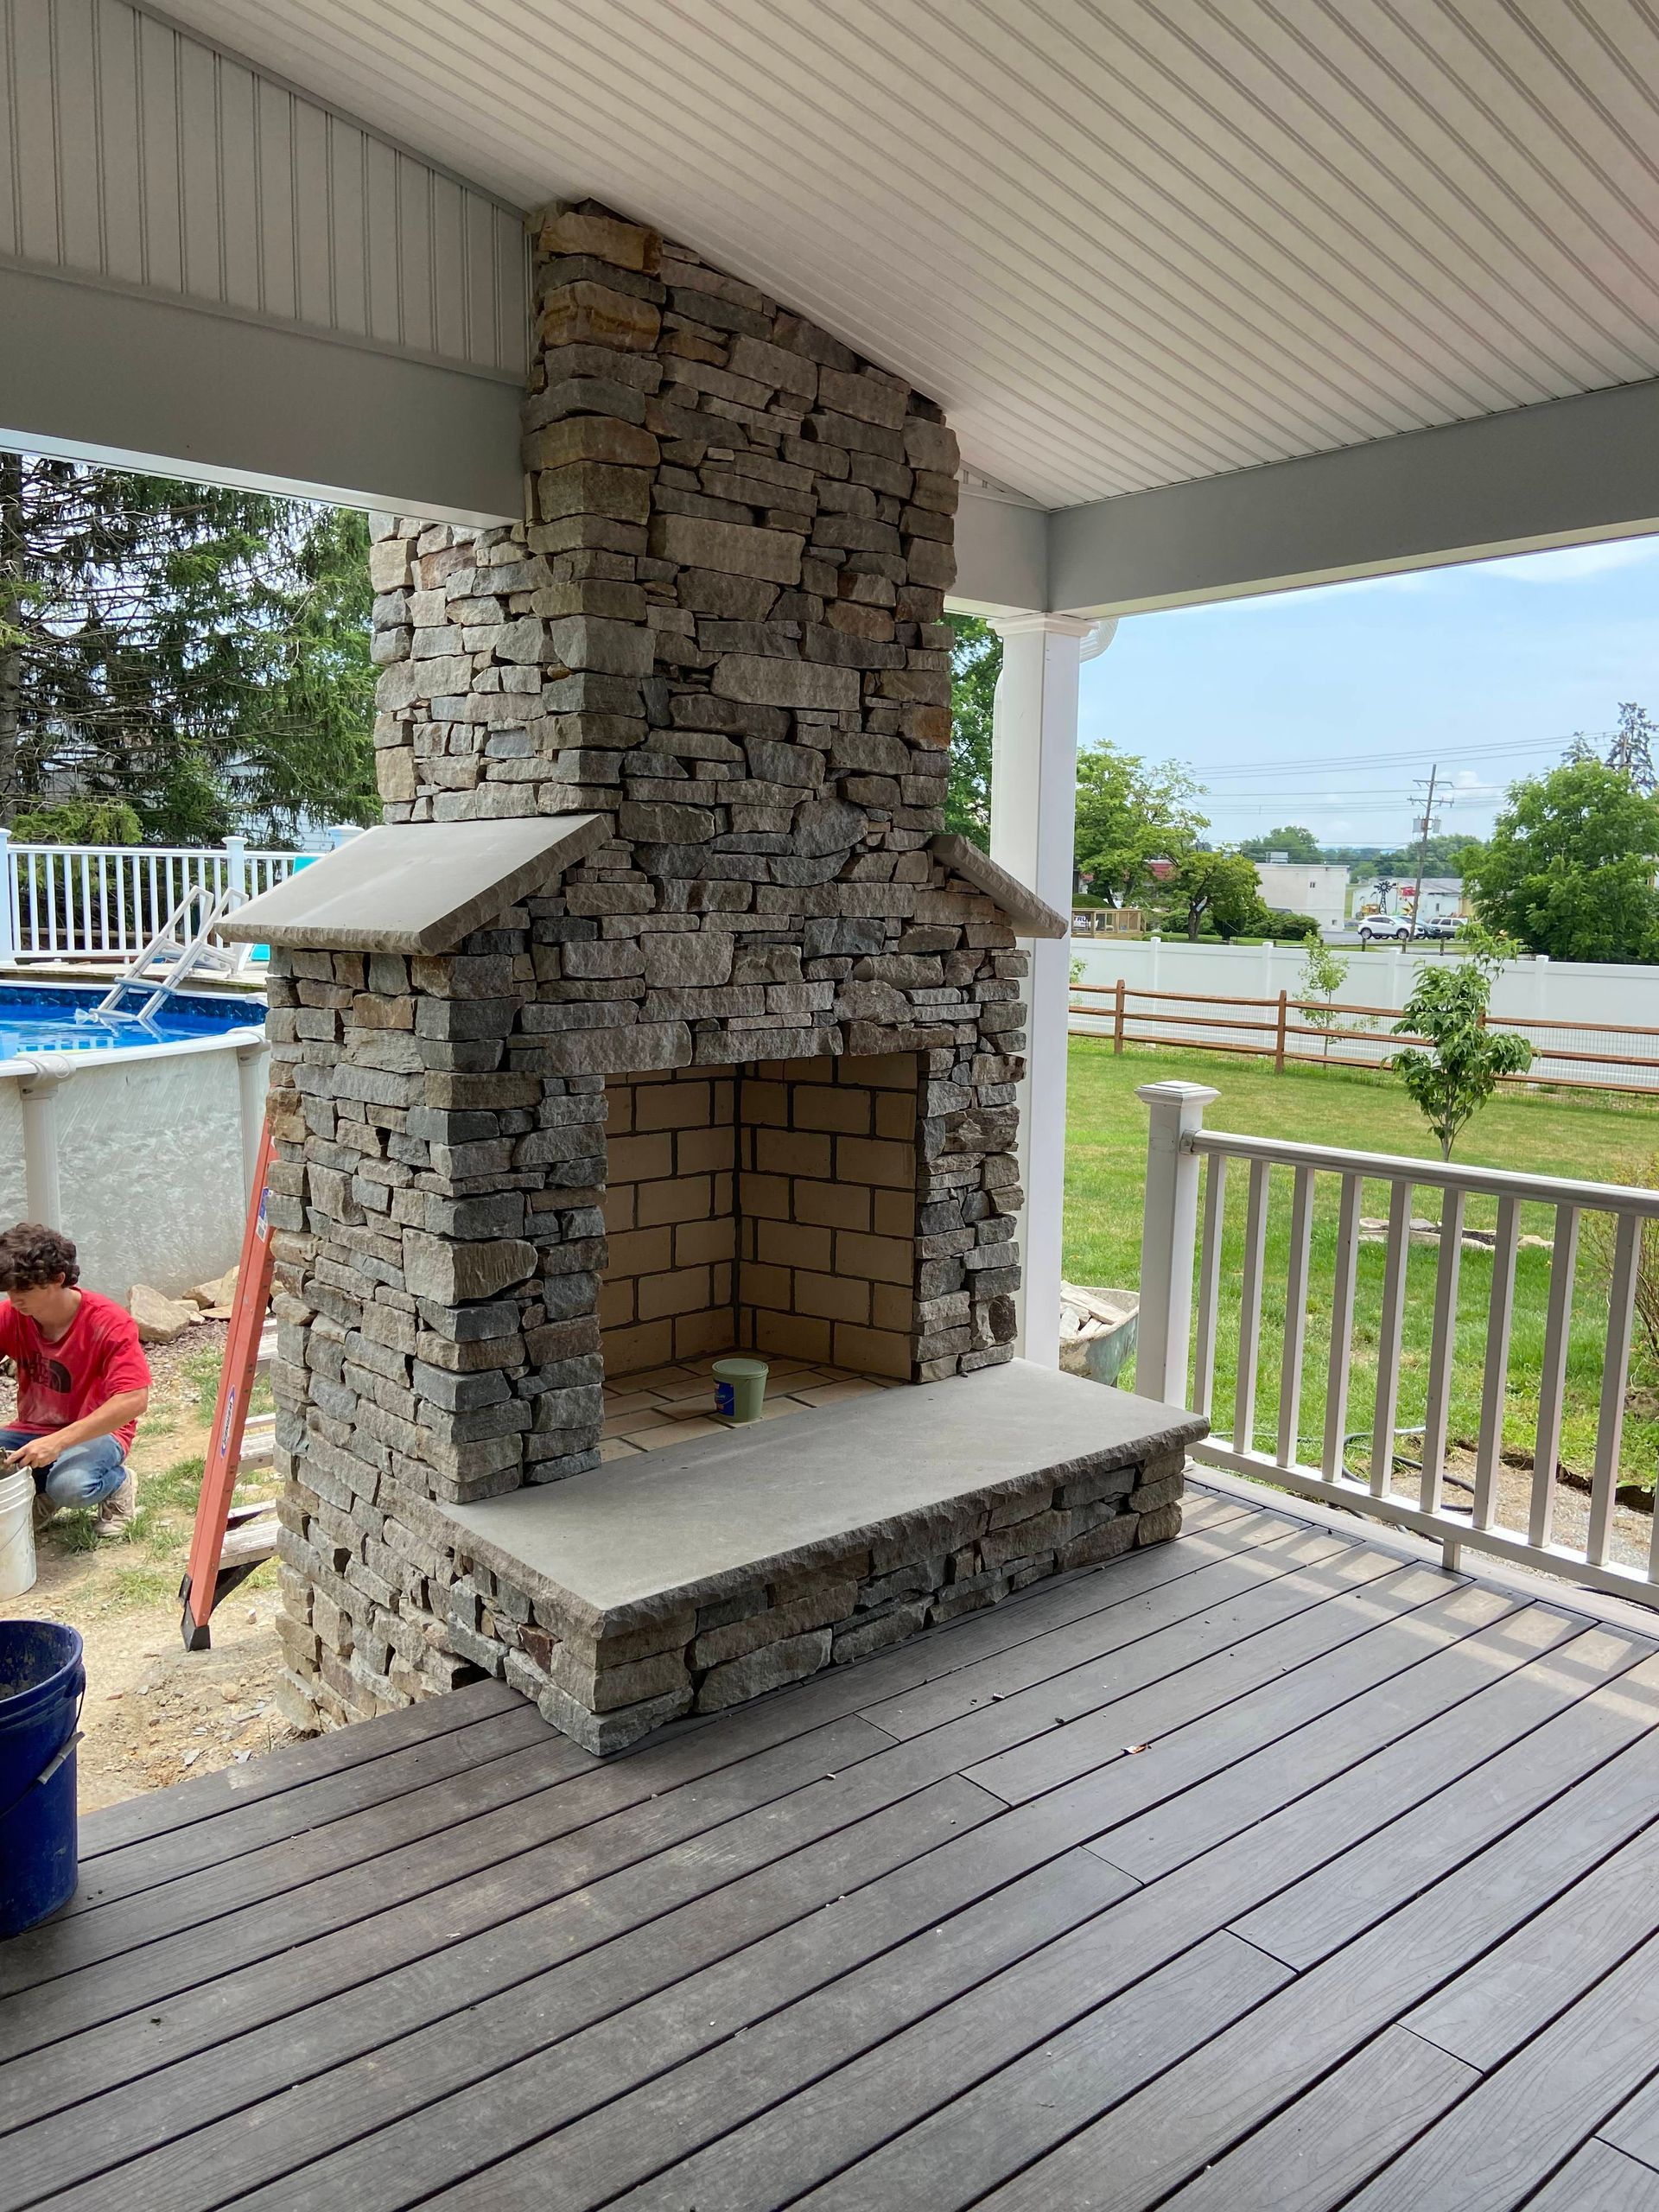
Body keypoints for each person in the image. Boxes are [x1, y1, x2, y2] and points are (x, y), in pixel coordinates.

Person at [0, 1223, 149, 1536]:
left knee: (71, 1487)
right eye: (9, 1291)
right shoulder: (11, 1316)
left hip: (100, 1434)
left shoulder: (109, 1322)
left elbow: (134, 1400)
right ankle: (41, 1491)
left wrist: (57, 1442)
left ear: (58, 1279)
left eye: (24, 1291)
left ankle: (117, 1485)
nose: (15, 1301)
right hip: (32, 1430)